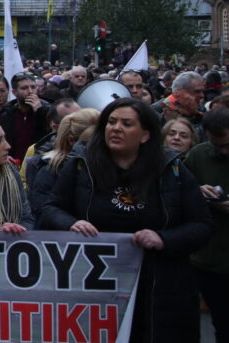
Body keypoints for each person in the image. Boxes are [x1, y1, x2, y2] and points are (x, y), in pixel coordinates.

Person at [41, 97, 213, 343]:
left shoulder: (172, 170)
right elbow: (51, 208)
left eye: (126, 123)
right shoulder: (82, 164)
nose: (116, 128)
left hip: (160, 289)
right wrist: (70, 223)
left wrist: (164, 238)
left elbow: (203, 226)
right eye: (111, 122)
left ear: (145, 135)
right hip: (95, 286)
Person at [187, 108, 229, 343]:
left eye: (227, 145)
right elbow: (180, 199)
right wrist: (198, 192)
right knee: (222, 325)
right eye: (217, 146)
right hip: (210, 261)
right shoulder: (199, 156)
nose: (223, 151)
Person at [26, 108, 99, 221]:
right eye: (93, 144)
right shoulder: (50, 170)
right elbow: (42, 212)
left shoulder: (111, 167)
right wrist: (70, 224)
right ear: (71, 140)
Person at [0, 73, 51, 161]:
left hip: (37, 163)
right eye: (24, 88)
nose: (30, 91)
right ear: (14, 92)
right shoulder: (7, 114)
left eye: (33, 87)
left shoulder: (48, 110)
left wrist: (40, 112)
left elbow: (49, 136)